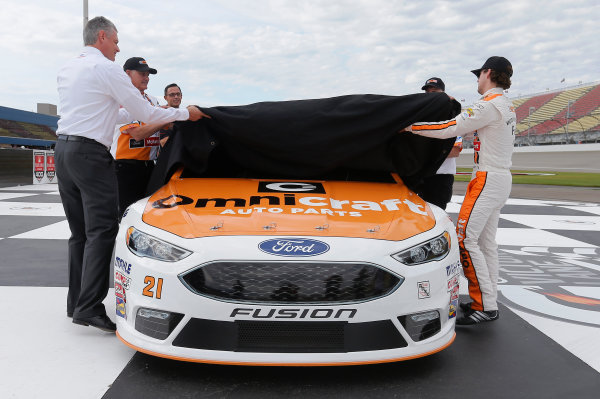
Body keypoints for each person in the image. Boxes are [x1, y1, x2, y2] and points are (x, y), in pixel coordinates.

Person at [55, 16, 208, 333]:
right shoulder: (106, 68)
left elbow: (116, 113)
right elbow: (145, 115)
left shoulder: (70, 68)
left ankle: (76, 301)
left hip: (63, 151)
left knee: (79, 234)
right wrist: (185, 114)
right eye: (115, 41)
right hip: (89, 154)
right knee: (102, 231)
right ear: (102, 37)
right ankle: (89, 307)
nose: (117, 47)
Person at [406, 57, 516, 325]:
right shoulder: (506, 105)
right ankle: (488, 302)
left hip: (488, 177)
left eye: (479, 74)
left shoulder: (490, 104)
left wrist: (410, 127)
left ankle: (483, 306)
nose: (477, 80)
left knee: (465, 238)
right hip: (499, 177)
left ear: (488, 73)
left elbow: (450, 128)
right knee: (486, 243)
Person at [111, 57, 164, 218]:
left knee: (149, 215)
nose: (146, 77)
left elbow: (167, 127)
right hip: (126, 167)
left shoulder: (153, 100)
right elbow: (137, 134)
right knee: (128, 215)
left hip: (150, 166)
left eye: (148, 74)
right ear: (127, 74)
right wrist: (165, 118)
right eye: (142, 74)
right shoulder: (120, 100)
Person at [414, 77, 463, 210]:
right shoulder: (421, 117)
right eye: (427, 92)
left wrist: (425, 153)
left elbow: (454, 151)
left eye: (434, 91)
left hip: (440, 177)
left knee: (437, 215)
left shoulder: (454, 117)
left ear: (443, 93)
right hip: (420, 174)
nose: (430, 95)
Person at [159, 83, 183, 147]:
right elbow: (163, 142)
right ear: (165, 97)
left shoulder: (184, 116)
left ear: (181, 96)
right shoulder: (161, 115)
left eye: (178, 94)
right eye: (172, 95)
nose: (176, 97)